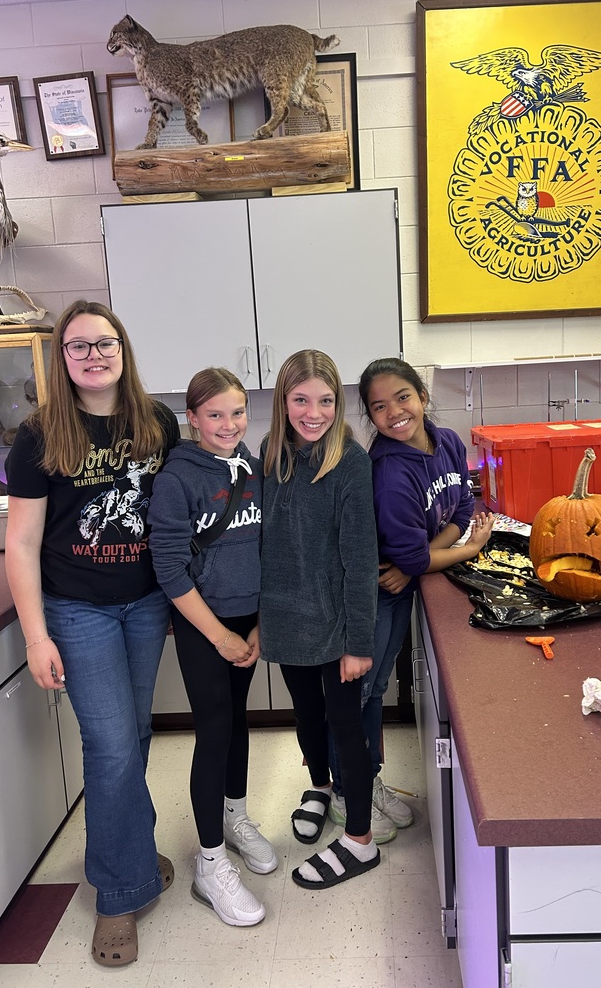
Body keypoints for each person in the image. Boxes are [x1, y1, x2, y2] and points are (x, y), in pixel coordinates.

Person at [4, 300, 180, 968]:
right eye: (78, 347)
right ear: (62, 359)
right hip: (78, 610)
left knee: (133, 737)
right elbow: (20, 544)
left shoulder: (156, 422)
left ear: (123, 349)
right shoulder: (40, 435)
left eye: (104, 343)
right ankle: (116, 896)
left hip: (145, 605)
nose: (94, 355)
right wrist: (36, 636)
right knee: (110, 748)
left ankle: (130, 851)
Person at [329, 358, 494, 835]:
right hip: (371, 593)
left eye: (402, 397)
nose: (394, 412)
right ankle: (346, 788)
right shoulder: (388, 472)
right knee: (356, 692)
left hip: (399, 585)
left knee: (375, 688)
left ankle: (369, 778)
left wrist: (418, 558)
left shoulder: (448, 442)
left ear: (422, 395)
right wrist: (467, 548)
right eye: (378, 407)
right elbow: (424, 553)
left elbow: (462, 506)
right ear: (370, 417)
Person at [147, 367, 275, 928]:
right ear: (192, 419)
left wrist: (259, 625)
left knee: (237, 723)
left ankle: (236, 816)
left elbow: (273, 545)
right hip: (204, 625)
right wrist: (219, 634)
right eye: (215, 414)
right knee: (214, 728)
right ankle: (210, 862)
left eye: (238, 412)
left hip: (249, 619)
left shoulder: (254, 465)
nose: (229, 424)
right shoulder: (178, 479)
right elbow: (169, 566)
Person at [259, 349, 381, 889]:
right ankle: (319, 786)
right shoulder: (271, 454)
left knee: (345, 726)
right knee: (306, 717)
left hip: (335, 626)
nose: (314, 413)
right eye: (301, 400)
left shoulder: (350, 462)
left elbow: (360, 560)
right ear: (283, 402)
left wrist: (360, 642)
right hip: (286, 617)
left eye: (326, 401)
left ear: (340, 402)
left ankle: (359, 839)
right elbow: (268, 543)